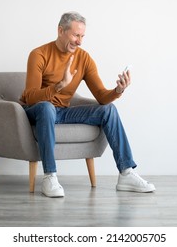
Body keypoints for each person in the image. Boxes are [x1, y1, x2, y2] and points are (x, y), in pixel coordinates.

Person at [20, 12, 155, 197]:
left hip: (62, 112)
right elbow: (30, 97)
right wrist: (59, 86)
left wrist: (118, 90)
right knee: (46, 107)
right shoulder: (39, 54)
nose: (79, 41)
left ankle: (126, 172)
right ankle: (50, 176)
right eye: (76, 35)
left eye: (82, 36)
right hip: (38, 110)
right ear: (61, 31)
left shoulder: (83, 58)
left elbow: (101, 96)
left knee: (108, 110)